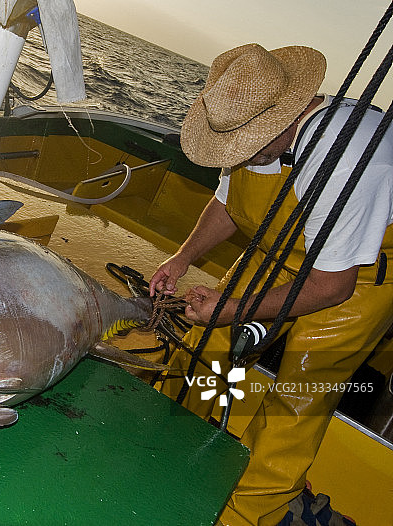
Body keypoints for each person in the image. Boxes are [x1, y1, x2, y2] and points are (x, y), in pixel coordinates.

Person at [150, 43, 393, 526]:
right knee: (208, 344)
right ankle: (169, 445)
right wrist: (182, 258)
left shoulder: (352, 155)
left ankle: (244, 513)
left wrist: (234, 307)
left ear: (285, 116)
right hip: (281, 250)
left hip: (356, 276)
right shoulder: (257, 130)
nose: (236, 157)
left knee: (299, 394)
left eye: (245, 146)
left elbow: (331, 284)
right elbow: (227, 204)